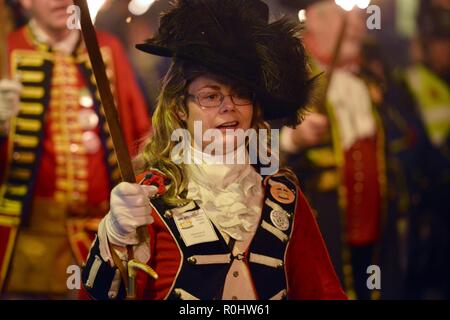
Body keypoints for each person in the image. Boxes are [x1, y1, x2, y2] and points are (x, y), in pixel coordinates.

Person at [81, 0, 346, 300]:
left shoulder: (283, 197)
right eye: (210, 96)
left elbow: (324, 293)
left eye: (241, 95)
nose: (228, 108)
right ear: (180, 108)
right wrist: (115, 239)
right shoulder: (149, 199)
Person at [0, 0, 151, 297]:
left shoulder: (106, 48)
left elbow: (139, 135)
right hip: (29, 246)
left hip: (103, 236)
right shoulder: (7, 49)